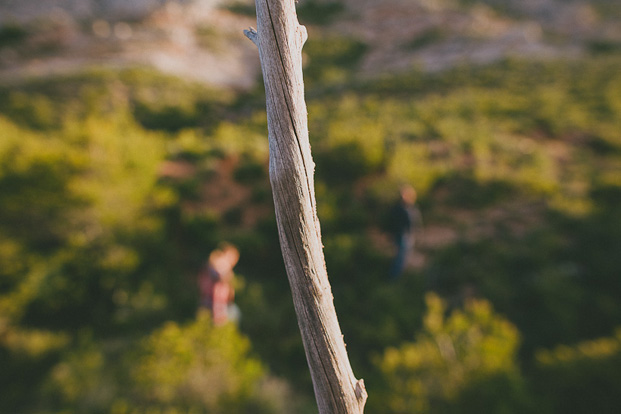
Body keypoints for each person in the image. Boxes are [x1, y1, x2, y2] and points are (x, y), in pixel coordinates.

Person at [197, 243, 240, 325]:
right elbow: (218, 292)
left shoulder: (214, 267)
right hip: (216, 304)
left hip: (213, 302)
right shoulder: (220, 269)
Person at [387, 185, 422, 279]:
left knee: (404, 256)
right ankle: (394, 277)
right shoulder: (398, 208)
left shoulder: (411, 208)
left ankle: (399, 276)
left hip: (408, 235)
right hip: (402, 235)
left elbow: (415, 221)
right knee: (401, 257)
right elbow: (393, 222)